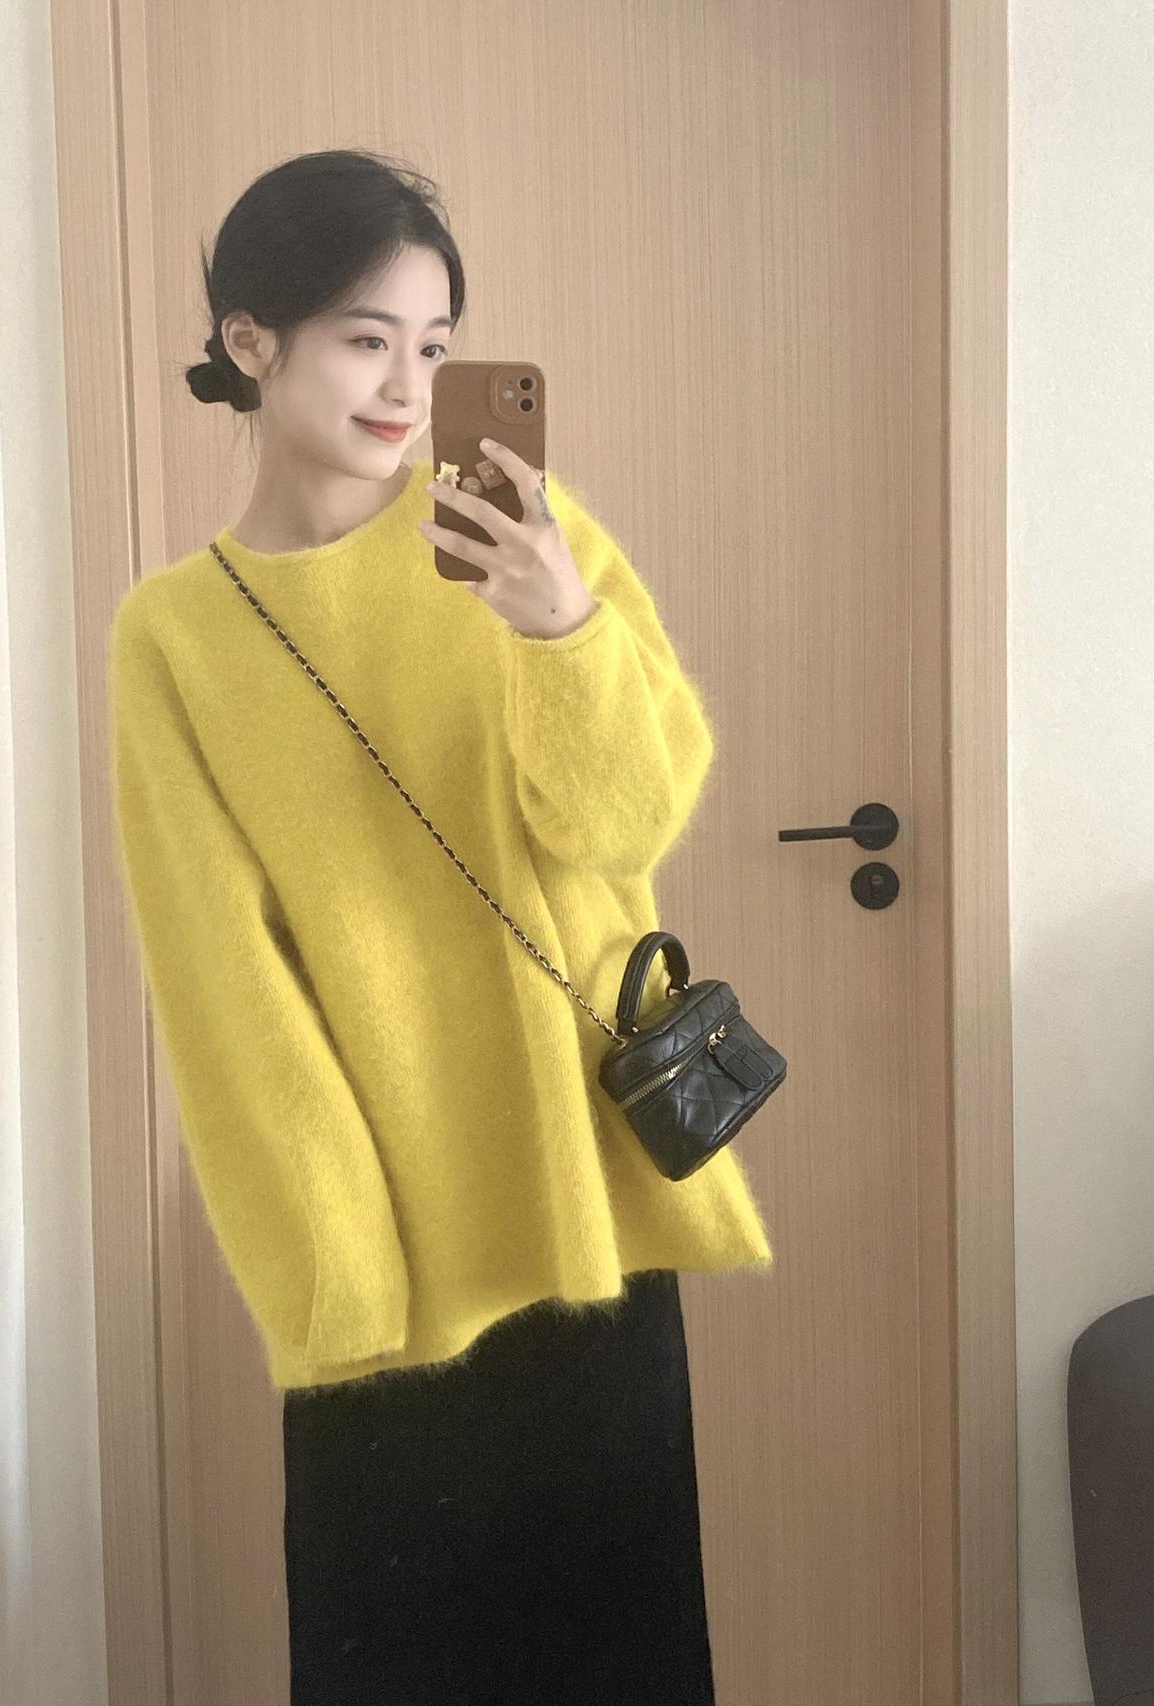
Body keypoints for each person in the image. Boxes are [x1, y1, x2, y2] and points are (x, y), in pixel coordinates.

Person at [109, 146, 776, 1704]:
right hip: (388, 1260)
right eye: (366, 339)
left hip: (584, 1199)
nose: (409, 387)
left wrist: (561, 627)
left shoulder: (530, 535)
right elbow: (224, 985)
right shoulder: (175, 637)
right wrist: (342, 1278)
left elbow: (626, 824)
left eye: (433, 343)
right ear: (251, 340)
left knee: (621, 1662)